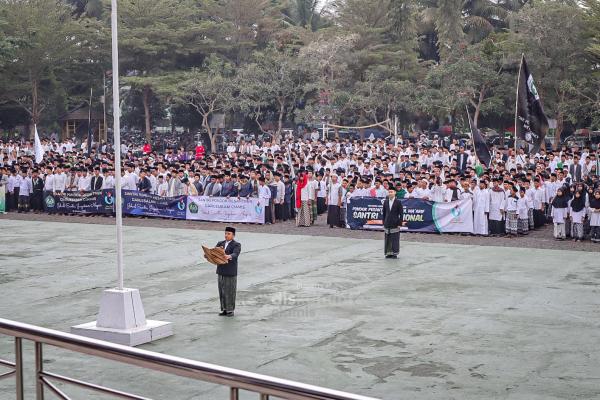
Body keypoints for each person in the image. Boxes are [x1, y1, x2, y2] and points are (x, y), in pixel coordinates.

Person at [209, 226, 241, 317]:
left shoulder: (237, 244)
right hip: (221, 270)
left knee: (230, 291)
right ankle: (224, 309)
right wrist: (208, 255)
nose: (226, 235)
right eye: (225, 233)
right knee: (222, 291)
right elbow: (214, 252)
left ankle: (230, 310)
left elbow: (235, 254)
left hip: (230, 272)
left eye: (228, 234)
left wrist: (229, 256)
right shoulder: (220, 243)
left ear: (233, 235)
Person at [382, 186, 404, 259]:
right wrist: (383, 222)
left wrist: (400, 223)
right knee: (387, 238)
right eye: (389, 192)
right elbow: (384, 213)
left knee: (395, 238)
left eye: (391, 192)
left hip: (395, 223)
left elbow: (401, 214)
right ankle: (388, 253)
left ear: (395, 193)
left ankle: (395, 253)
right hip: (387, 222)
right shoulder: (385, 201)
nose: (390, 193)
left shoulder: (398, 202)